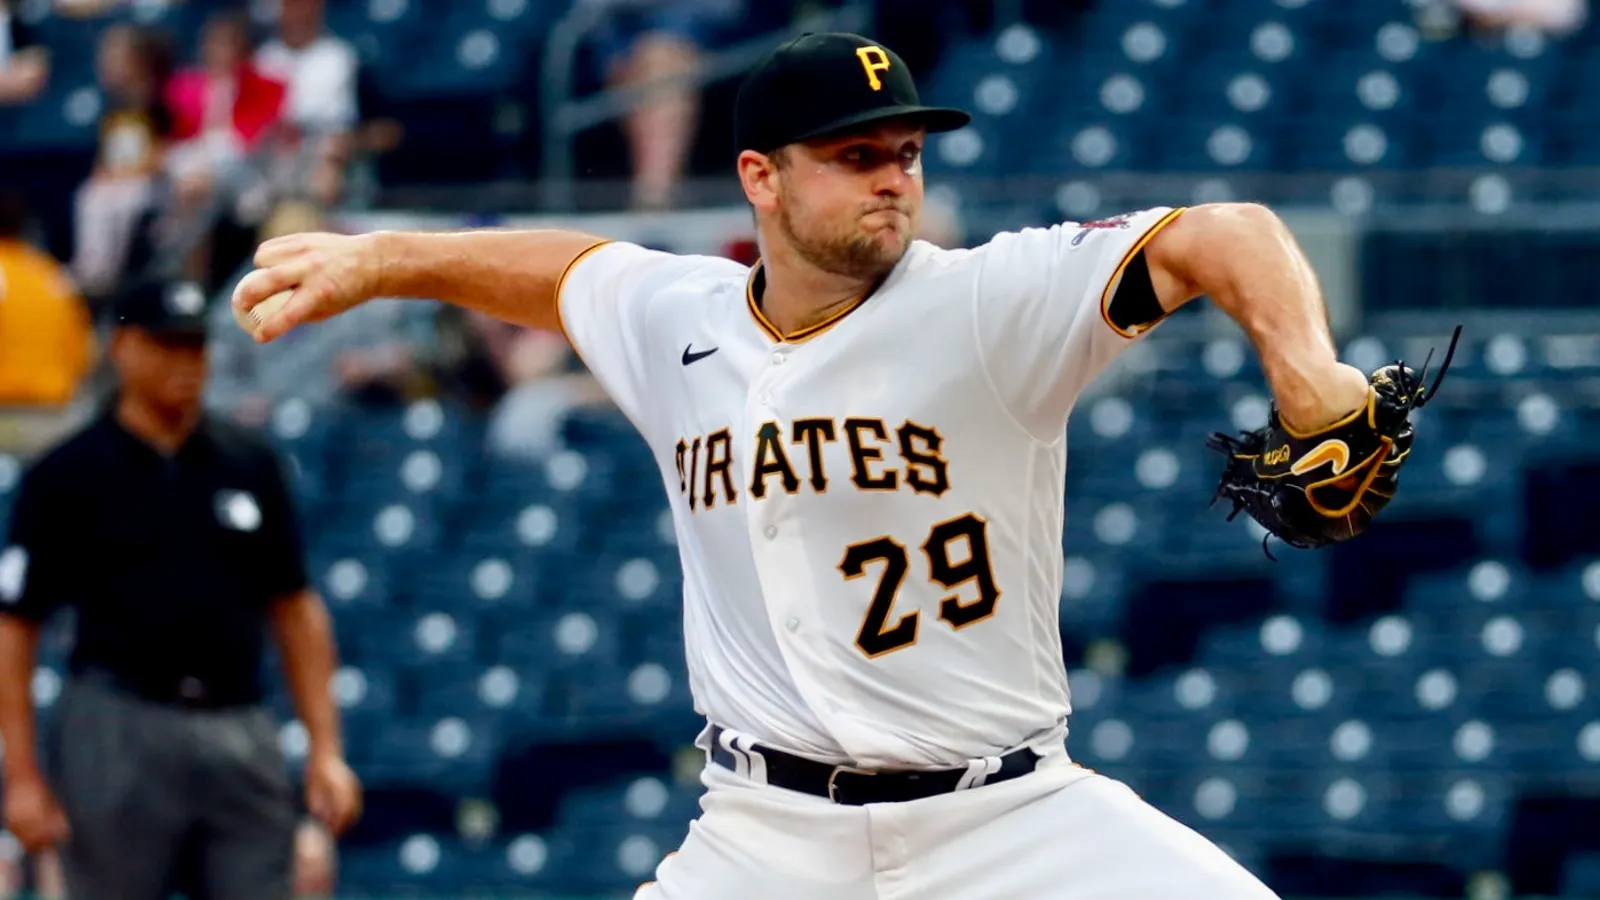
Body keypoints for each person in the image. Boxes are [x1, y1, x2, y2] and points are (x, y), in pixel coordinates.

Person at [233, 32, 1387, 900]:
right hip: (765, 835)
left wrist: (1306, 370)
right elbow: (562, 270)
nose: (894, 176)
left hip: (1014, 822)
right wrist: (383, 257)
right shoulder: (679, 317)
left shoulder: (990, 300)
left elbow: (1223, 233)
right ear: (760, 177)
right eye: (854, 154)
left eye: (905, 152)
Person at [0, 278, 362, 900]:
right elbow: (15, 627)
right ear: (122, 348)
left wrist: (326, 748)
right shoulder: (68, 474)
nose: (184, 363)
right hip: (116, 722)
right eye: (166, 345)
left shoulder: (248, 463)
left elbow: (297, 610)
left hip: (237, 721)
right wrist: (24, 775)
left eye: (194, 347)